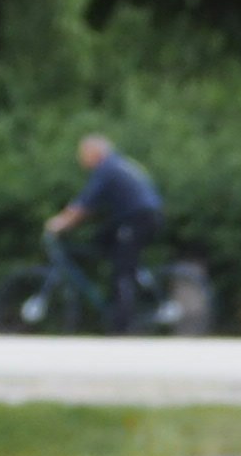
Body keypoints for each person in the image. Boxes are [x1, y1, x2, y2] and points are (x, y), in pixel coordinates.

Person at [46, 135, 166, 333]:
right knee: (101, 240)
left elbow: (82, 205)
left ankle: (123, 324)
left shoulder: (107, 169)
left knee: (122, 268)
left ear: (95, 153)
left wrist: (59, 223)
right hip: (143, 216)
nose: (81, 159)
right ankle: (131, 287)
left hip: (137, 219)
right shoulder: (120, 164)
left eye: (83, 153)